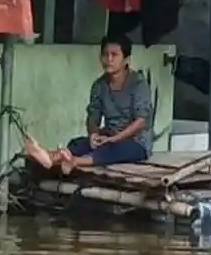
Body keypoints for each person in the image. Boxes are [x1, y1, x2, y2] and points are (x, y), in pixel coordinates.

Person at [25, 34, 153, 173]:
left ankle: (72, 161)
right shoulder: (99, 85)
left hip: (136, 143)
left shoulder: (138, 84)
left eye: (114, 55)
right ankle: (51, 157)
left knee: (114, 149)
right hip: (109, 137)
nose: (109, 59)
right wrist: (93, 134)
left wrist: (114, 139)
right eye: (105, 54)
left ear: (126, 60)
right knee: (79, 143)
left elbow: (140, 122)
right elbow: (93, 116)